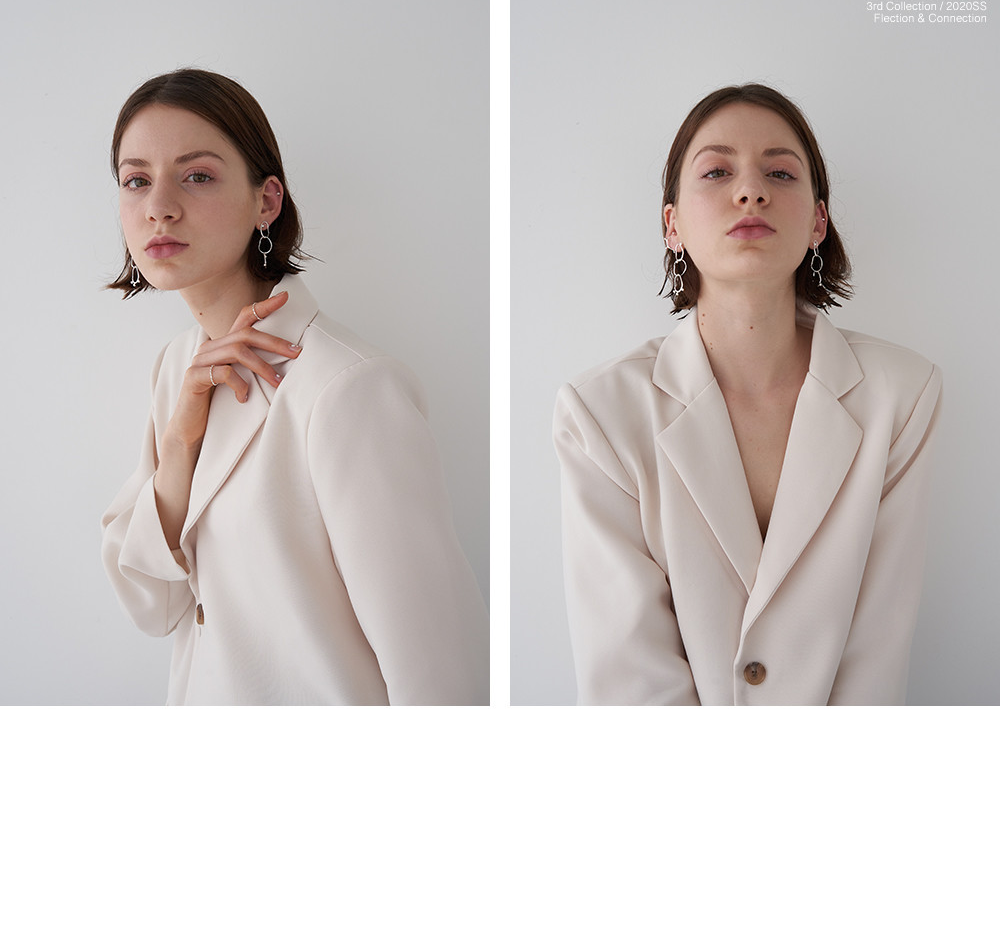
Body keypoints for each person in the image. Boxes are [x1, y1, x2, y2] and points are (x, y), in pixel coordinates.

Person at [101, 65, 487, 705]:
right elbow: (151, 604)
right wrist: (180, 445)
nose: (158, 206)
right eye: (136, 180)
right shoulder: (175, 370)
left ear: (267, 201)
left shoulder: (348, 387)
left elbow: (438, 675)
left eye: (197, 176)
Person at [553, 81, 941, 705]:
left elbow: (877, 651)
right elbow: (629, 678)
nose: (751, 191)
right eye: (717, 171)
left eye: (780, 173)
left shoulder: (903, 394)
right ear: (672, 224)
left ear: (818, 222)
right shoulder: (599, 413)